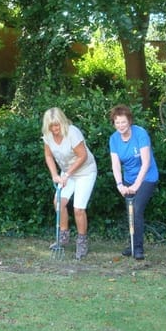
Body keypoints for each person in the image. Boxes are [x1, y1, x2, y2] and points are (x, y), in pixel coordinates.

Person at [42, 107, 98, 260]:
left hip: (85, 172)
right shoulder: (48, 135)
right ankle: (64, 236)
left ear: (63, 122)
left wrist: (67, 174)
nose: (55, 129)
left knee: (78, 208)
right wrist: (55, 175)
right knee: (59, 202)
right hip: (67, 173)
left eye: (57, 125)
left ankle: (82, 241)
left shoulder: (72, 132)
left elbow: (83, 156)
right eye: (51, 126)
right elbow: (48, 155)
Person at [108, 104, 158, 260]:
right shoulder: (114, 139)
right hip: (128, 179)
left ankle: (138, 248)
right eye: (117, 122)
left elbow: (146, 162)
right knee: (130, 213)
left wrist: (137, 185)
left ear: (129, 121)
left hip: (147, 177)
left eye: (123, 122)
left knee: (136, 210)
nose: (121, 125)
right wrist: (119, 184)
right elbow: (115, 164)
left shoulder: (140, 134)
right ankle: (132, 244)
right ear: (114, 123)